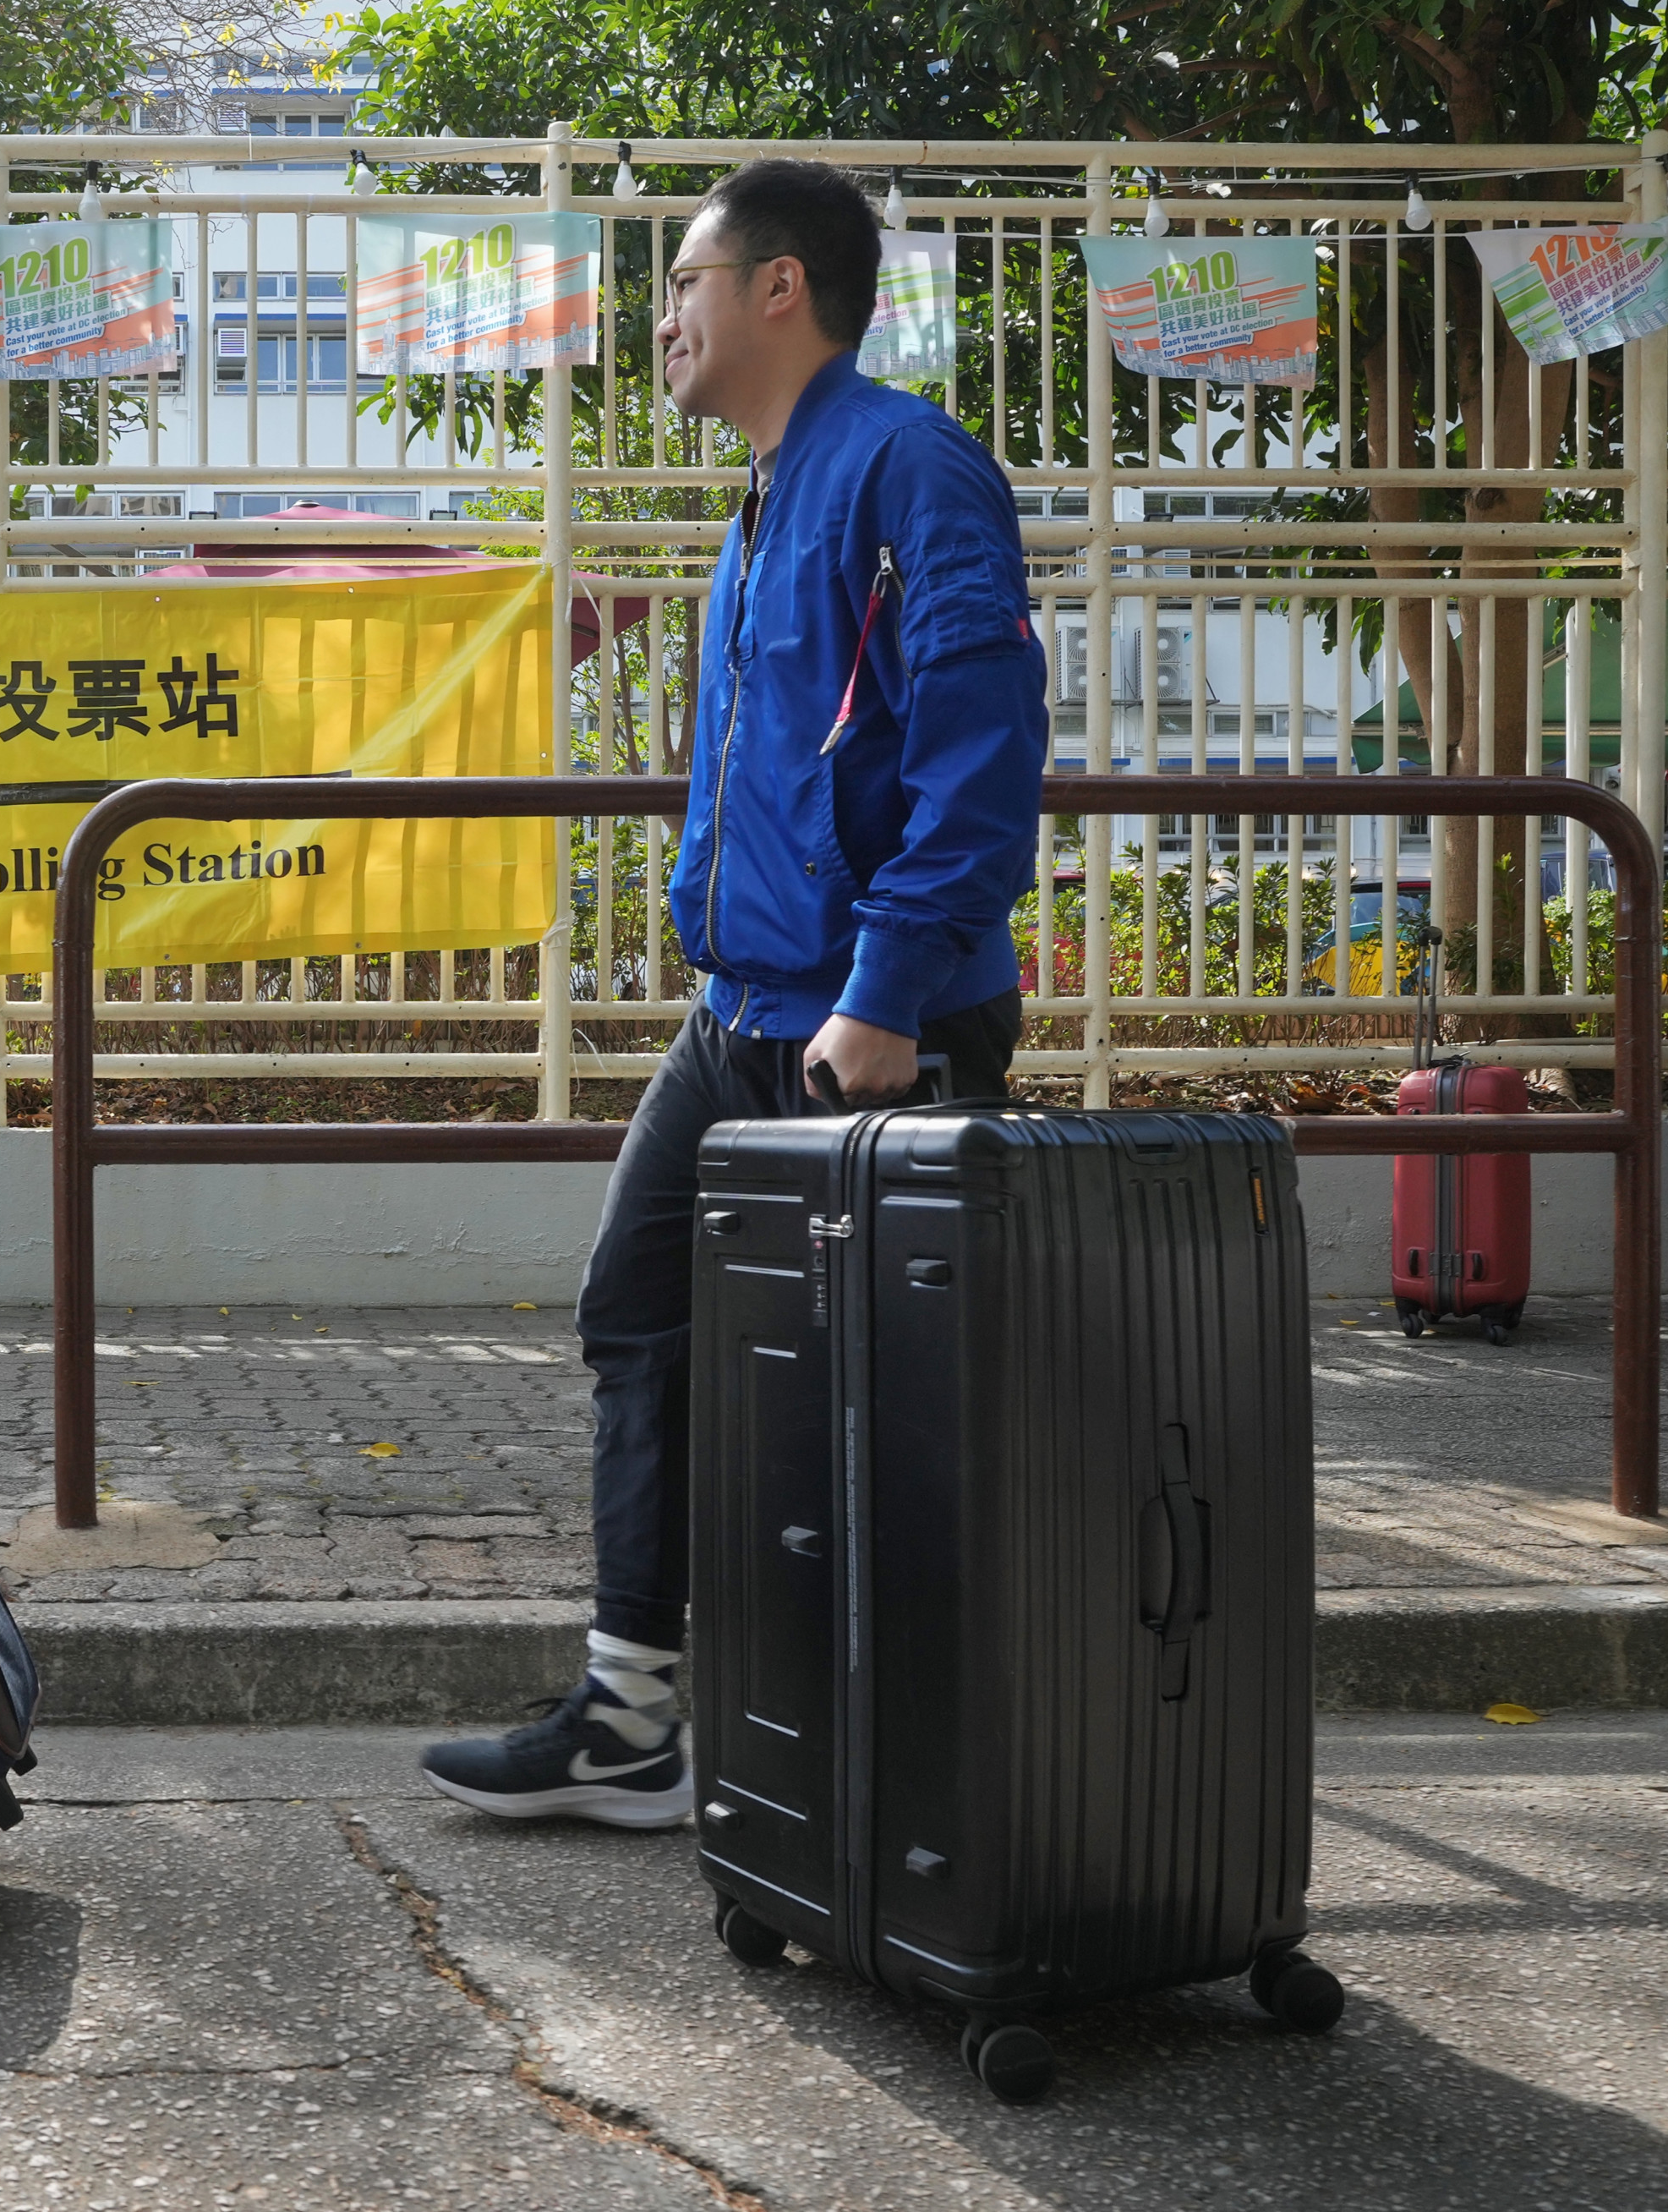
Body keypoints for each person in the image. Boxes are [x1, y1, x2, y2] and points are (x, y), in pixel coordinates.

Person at [418, 161, 1045, 1826]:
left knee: (893, 1410)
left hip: (871, 1029)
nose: (659, 319)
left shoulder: (909, 471)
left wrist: (888, 994)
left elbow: (980, 772)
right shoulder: (760, 500)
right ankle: (631, 1720)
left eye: (682, 283)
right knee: (637, 1314)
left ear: (780, 290)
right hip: (745, 1016)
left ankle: (913, 1778)